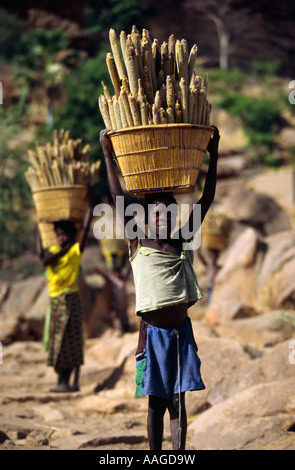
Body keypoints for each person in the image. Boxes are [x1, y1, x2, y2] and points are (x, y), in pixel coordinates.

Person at [100, 126, 220, 450]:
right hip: (152, 335)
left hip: (180, 333)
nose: (163, 216)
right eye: (156, 212)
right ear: (144, 217)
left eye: (169, 210)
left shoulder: (182, 239)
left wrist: (214, 153)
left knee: (179, 403)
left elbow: (207, 198)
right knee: (156, 404)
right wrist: (107, 154)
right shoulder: (138, 240)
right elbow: (118, 196)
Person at [37, 193, 94, 392]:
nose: (60, 238)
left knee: (70, 340)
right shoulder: (52, 251)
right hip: (54, 301)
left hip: (70, 298)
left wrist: (90, 205)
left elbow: (85, 230)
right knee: (55, 341)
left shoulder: (75, 252)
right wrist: (39, 221)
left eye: (64, 235)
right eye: (58, 234)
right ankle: (62, 381)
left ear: (70, 235)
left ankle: (68, 382)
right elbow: (43, 259)